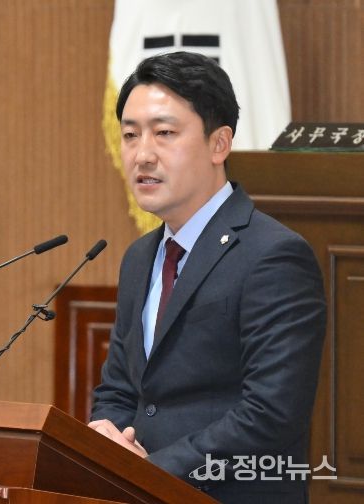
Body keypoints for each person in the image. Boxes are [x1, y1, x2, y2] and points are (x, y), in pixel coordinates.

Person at [89, 51, 326, 504]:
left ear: (219, 144)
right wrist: (106, 445)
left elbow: (271, 415)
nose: (142, 154)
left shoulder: (273, 255)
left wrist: (151, 471)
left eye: (164, 133)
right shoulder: (139, 258)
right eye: (131, 135)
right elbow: (119, 390)